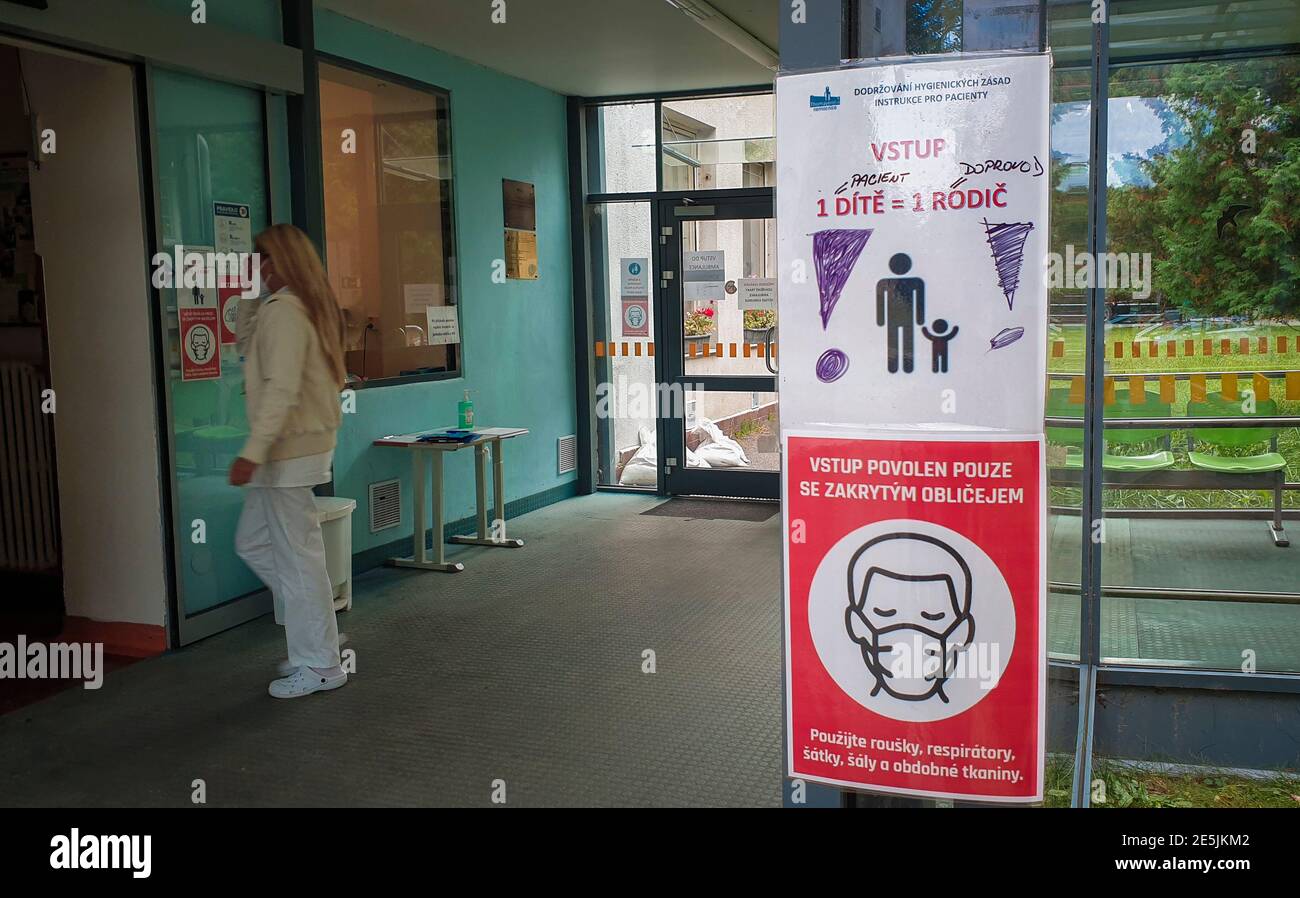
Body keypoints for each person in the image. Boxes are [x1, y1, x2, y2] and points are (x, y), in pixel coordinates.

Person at [231, 224, 348, 699]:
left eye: (261, 259)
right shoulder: (291, 308)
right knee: (254, 543)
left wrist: (251, 453)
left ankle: (319, 664)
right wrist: (247, 294)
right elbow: (243, 346)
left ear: (278, 263)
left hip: (287, 451)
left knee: (298, 561)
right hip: (292, 449)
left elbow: (280, 389)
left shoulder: (287, 312)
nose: (256, 267)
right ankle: (315, 633)